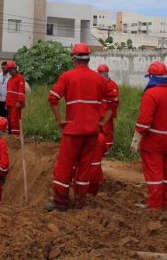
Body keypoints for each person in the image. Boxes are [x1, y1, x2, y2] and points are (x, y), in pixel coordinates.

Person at [46, 42, 113, 211]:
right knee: (84, 169)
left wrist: (59, 120)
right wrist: (103, 122)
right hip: (92, 132)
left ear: (74, 58)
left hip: (73, 131)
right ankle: (79, 203)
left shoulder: (67, 76)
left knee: (64, 167)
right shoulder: (99, 79)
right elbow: (113, 102)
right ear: (88, 59)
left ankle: (60, 202)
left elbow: (53, 98)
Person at [131, 61, 167, 210]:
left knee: (154, 173)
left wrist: (136, 139)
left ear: (152, 77)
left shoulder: (151, 95)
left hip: (154, 143)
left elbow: (144, 122)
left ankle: (154, 206)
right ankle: (166, 203)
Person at [97, 64, 120, 154]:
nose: (99, 74)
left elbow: (114, 103)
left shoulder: (112, 85)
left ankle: (107, 150)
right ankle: (99, 149)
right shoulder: (97, 83)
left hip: (107, 113)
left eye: (100, 73)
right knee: (98, 131)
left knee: (107, 131)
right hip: (98, 112)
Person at [4, 60, 26, 135]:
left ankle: (16, 137)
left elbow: (21, 91)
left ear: (15, 69)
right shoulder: (10, 80)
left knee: (15, 120)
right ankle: (13, 136)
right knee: (10, 120)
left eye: (11, 70)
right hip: (10, 103)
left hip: (16, 104)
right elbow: (8, 92)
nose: (10, 72)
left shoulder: (20, 78)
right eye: (9, 70)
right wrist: (6, 103)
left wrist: (20, 102)